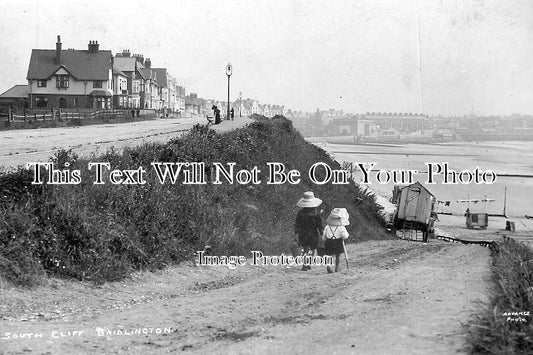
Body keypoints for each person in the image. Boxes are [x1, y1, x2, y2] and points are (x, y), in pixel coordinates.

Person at [294, 191, 323, 271]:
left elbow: (297, 224)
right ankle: (308, 263)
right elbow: (319, 225)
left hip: (303, 233)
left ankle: (304, 264)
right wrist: (322, 233)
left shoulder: (301, 213)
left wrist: (296, 234)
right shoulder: (316, 214)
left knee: (305, 249)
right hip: (313, 234)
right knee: (312, 249)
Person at [321, 208, 349, 273]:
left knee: (329, 255)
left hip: (329, 241)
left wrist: (324, 239)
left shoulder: (327, 226)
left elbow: (324, 236)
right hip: (338, 242)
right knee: (337, 256)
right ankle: (337, 267)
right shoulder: (341, 227)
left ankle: (329, 266)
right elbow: (345, 236)